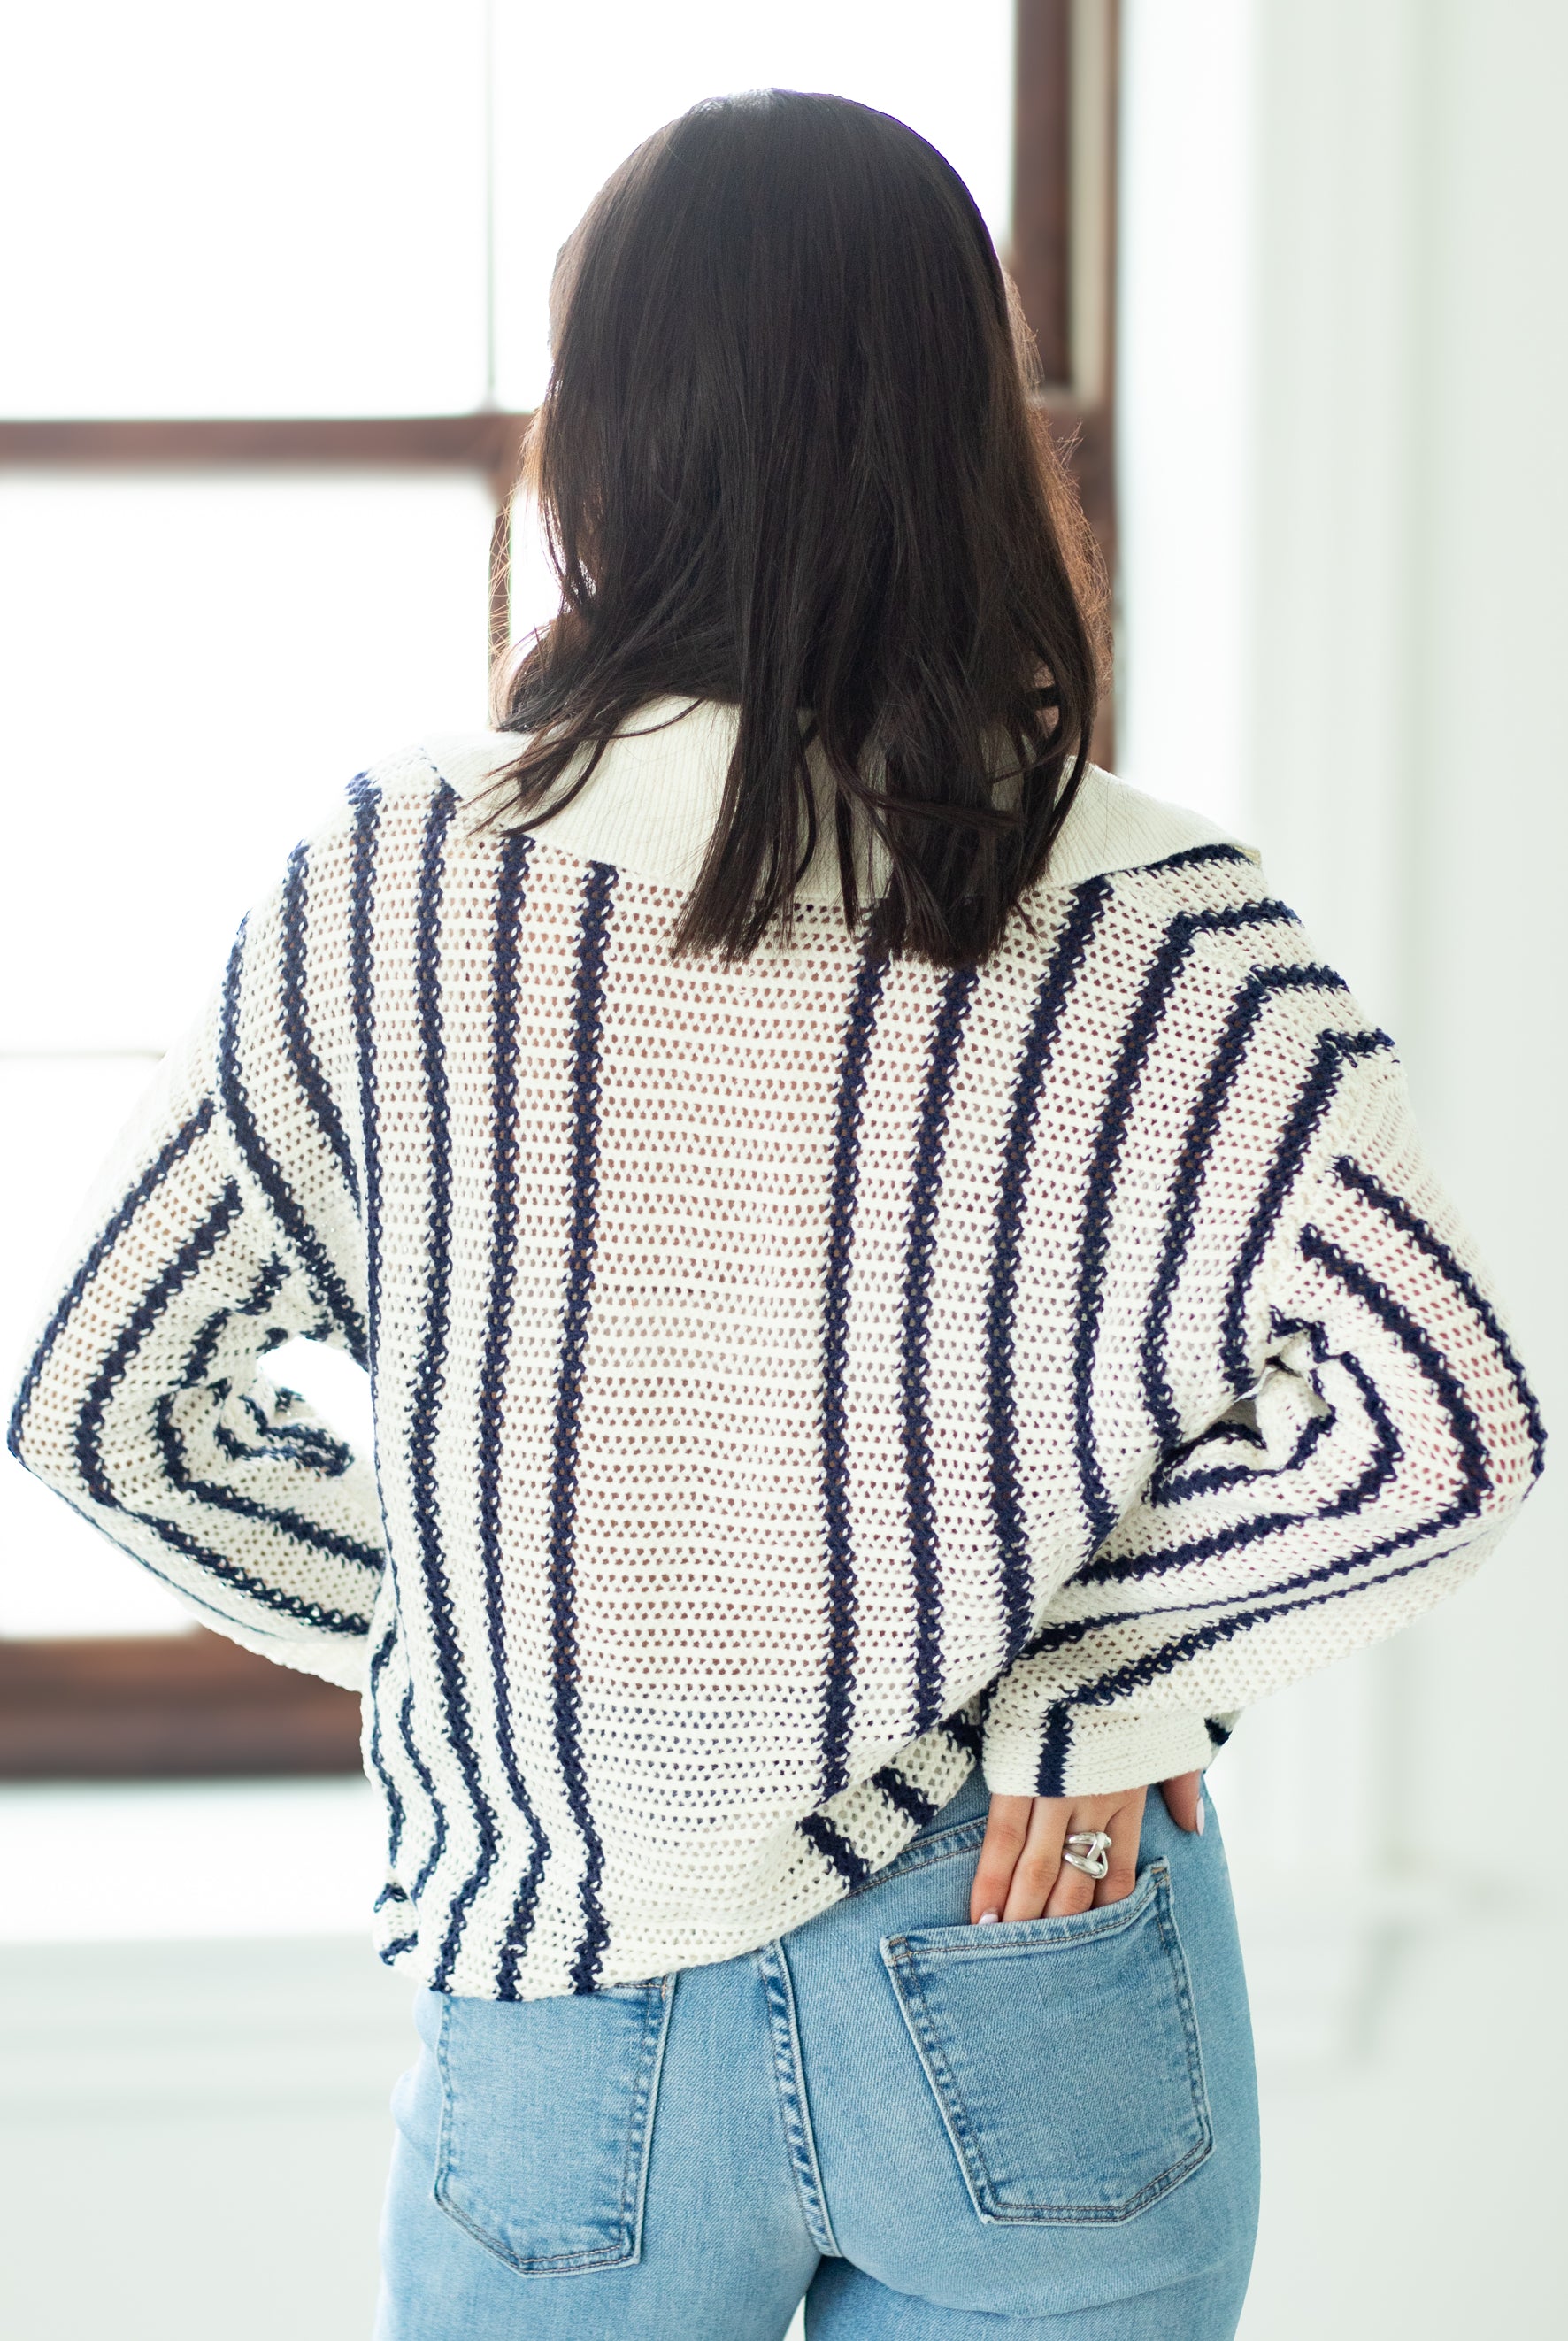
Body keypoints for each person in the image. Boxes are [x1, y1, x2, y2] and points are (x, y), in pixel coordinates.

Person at [7, 89, 1542, 2341]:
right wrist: (1094, 1698)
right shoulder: (1169, 923)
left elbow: (110, 1405)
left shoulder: (393, 889)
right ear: (966, 425)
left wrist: (492, 1657)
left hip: (571, 1971)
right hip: (1033, 1927)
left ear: (600, 433)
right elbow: (1442, 1418)